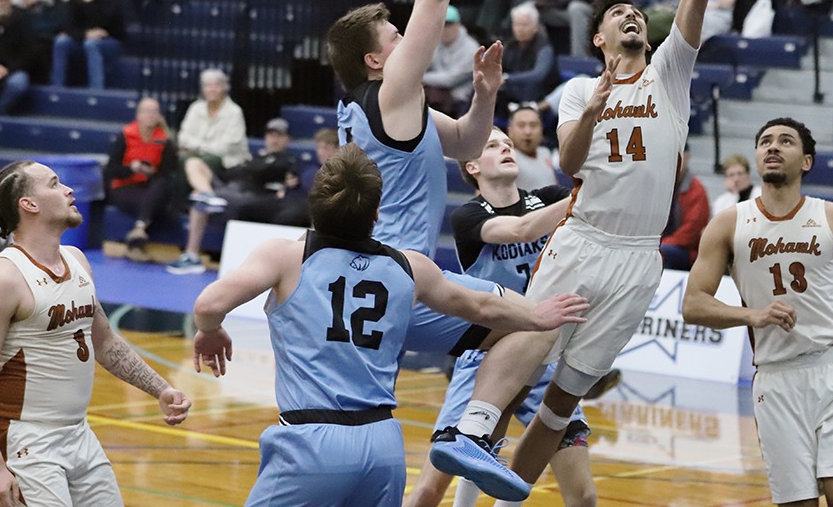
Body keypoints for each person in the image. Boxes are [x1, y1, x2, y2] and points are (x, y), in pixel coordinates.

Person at [428, 0, 733, 502]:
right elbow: (569, 164)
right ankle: (476, 429)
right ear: (599, 38)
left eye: (635, 13)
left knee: (565, 401)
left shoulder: (670, 74)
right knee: (533, 330)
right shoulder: (575, 90)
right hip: (587, 235)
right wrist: (592, 110)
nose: (630, 18)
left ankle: (502, 489)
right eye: (617, 14)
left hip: (639, 258)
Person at [189, 144, 588, 506]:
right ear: (377, 213)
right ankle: (473, 429)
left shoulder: (286, 256)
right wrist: (538, 316)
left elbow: (209, 304)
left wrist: (209, 331)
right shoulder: (410, 267)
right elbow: (482, 307)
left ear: (315, 206)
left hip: (310, 440)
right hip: (382, 446)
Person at [683, 117, 833, 506]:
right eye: (765, 141)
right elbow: (692, 303)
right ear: (756, 157)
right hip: (776, 378)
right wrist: (751, 315)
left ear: (806, 161)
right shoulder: (727, 223)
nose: (772, 147)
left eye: (785, 142)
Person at [0, 160, 192, 507]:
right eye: (54, 184)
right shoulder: (3, 279)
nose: (68, 190)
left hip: (78, 433)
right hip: (24, 438)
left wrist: (160, 388)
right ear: (29, 204)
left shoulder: (77, 260)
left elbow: (105, 342)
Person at [328, 0, 501, 261]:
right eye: (394, 37)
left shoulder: (373, 108)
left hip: (380, 262)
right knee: (526, 324)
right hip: (397, 268)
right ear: (373, 60)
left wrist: (485, 94)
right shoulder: (392, 93)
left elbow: (466, 143)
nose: (405, 38)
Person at [405, 128, 595, 507]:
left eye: (507, 143)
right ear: (472, 166)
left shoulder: (548, 197)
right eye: (492, 144)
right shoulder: (468, 215)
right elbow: (521, 230)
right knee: (429, 490)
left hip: (544, 354)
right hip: (486, 355)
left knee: (585, 495)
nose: (506, 148)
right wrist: (581, 195)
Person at [172, 118, 303, 274]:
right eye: (271, 135)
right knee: (193, 162)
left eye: (279, 136)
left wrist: (247, 168)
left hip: (251, 197)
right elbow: (229, 174)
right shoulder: (255, 158)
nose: (274, 139)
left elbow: (261, 173)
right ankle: (208, 195)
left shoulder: (288, 161)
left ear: (287, 139)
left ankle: (192, 254)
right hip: (229, 190)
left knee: (197, 195)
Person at [170, 68, 250, 270]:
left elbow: (226, 147)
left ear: (224, 87)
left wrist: (197, 147)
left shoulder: (235, 112)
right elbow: (182, 137)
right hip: (200, 167)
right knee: (192, 167)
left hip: (228, 166)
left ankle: (205, 194)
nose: (212, 89)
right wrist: (200, 148)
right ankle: (205, 194)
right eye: (207, 85)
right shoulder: (196, 108)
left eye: (216, 85)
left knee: (190, 160)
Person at [105, 97, 180, 259]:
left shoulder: (164, 140)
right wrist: (132, 168)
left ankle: (138, 231)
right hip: (125, 187)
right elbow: (111, 170)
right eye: (146, 111)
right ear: (138, 115)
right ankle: (140, 231)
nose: (150, 115)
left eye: (154, 112)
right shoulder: (125, 136)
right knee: (158, 207)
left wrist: (150, 173)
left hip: (151, 187)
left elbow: (167, 173)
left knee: (160, 187)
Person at [50, 0, 126, 89]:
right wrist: (85, 33)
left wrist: (89, 4)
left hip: (111, 40)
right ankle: (57, 87)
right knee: (60, 42)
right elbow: (68, 26)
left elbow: (106, 25)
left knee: (91, 44)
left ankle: (96, 90)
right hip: (83, 38)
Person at [422, 5, 481, 116]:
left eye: (449, 25)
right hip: (436, 95)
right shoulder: (433, 43)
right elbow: (420, 65)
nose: (445, 30)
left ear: (458, 25)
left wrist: (421, 77)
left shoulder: (471, 48)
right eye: (441, 25)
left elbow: (451, 80)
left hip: (462, 101)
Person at [500, 3, 560, 110]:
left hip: (540, 94)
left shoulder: (544, 47)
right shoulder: (509, 45)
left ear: (535, 27)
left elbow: (538, 75)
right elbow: (500, 66)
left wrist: (508, 78)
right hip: (513, 95)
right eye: (517, 25)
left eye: (525, 25)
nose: (520, 29)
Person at [660, 144, 710, 271]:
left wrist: (661, 244)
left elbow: (691, 232)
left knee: (663, 253)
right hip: (660, 244)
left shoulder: (697, 190)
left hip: (686, 250)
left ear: (687, 157)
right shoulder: (660, 185)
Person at [506, 104, 558, 191]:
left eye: (533, 125)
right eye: (521, 125)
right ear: (510, 130)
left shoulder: (545, 153)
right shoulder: (506, 158)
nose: (528, 132)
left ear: (541, 129)